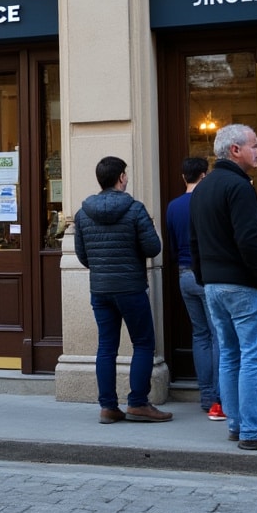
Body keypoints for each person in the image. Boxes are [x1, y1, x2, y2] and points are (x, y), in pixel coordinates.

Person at [189, 125, 257, 452]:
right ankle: (253, 430)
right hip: (242, 285)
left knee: (230, 355)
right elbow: (249, 240)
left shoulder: (203, 188)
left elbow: (194, 241)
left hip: (214, 284)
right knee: (252, 357)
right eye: (254, 145)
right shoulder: (239, 186)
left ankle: (238, 425)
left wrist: (204, 276)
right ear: (235, 150)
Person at [74, 156, 171, 424]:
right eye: (125, 174)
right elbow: (153, 248)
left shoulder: (83, 213)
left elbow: (82, 255)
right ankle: (138, 403)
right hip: (130, 287)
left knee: (106, 346)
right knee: (143, 343)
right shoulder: (135, 209)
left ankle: (108, 407)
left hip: (100, 288)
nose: (127, 178)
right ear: (121, 178)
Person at [166, 156, 222, 419]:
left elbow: (172, 245)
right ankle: (219, 397)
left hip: (184, 274)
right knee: (218, 335)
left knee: (200, 334)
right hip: (207, 274)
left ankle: (206, 395)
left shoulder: (173, 206)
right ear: (204, 175)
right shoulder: (207, 201)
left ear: (183, 177)